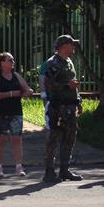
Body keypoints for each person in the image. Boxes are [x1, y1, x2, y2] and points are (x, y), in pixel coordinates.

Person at [43, 35, 83, 183]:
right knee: (54, 138)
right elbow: (49, 85)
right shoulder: (53, 63)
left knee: (69, 138)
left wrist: (78, 101)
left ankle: (64, 170)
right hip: (58, 107)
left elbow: (73, 84)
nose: (73, 48)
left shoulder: (69, 61)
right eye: (72, 44)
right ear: (64, 45)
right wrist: (67, 86)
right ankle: (49, 171)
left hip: (70, 106)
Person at [0, 52, 33, 177]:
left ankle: (19, 167)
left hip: (16, 111)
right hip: (1, 112)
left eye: (13, 60)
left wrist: (27, 92)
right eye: (10, 60)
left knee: (17, 139)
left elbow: (26, 88)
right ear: (2, 63)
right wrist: (10, 94)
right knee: (0, 139)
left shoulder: (16, 75)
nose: (13, 62)